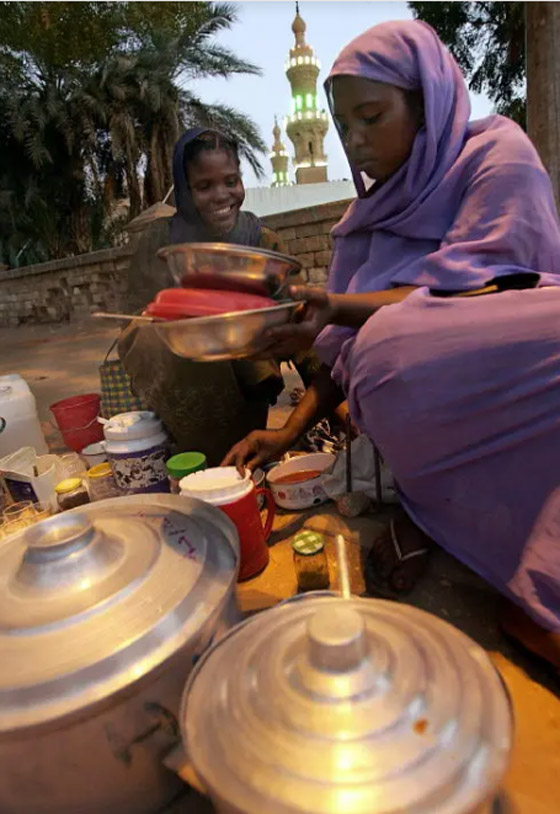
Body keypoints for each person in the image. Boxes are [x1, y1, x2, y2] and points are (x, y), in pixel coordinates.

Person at [223, 20, 560, 670]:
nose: (353, 141)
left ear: (426, 101)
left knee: (393, 345)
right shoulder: (369, 221)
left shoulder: (497, 156)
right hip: (440, 392)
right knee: (386, 352)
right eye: (342, 125)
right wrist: (288, 433)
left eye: (371, 117)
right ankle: (435, 513)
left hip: (533, 360)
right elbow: (357, 352)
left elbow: (487, 290)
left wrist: (337, 310)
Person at [119, 128, 320, 465]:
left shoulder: (262, 242)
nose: (222, 195)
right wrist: (188, 318)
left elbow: (300, 320)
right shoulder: (160, 243)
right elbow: (129, 323)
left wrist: (336, 399)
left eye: (231, 181)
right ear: (183, 190)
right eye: (203, 186)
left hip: (249, 385)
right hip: (179, 388)